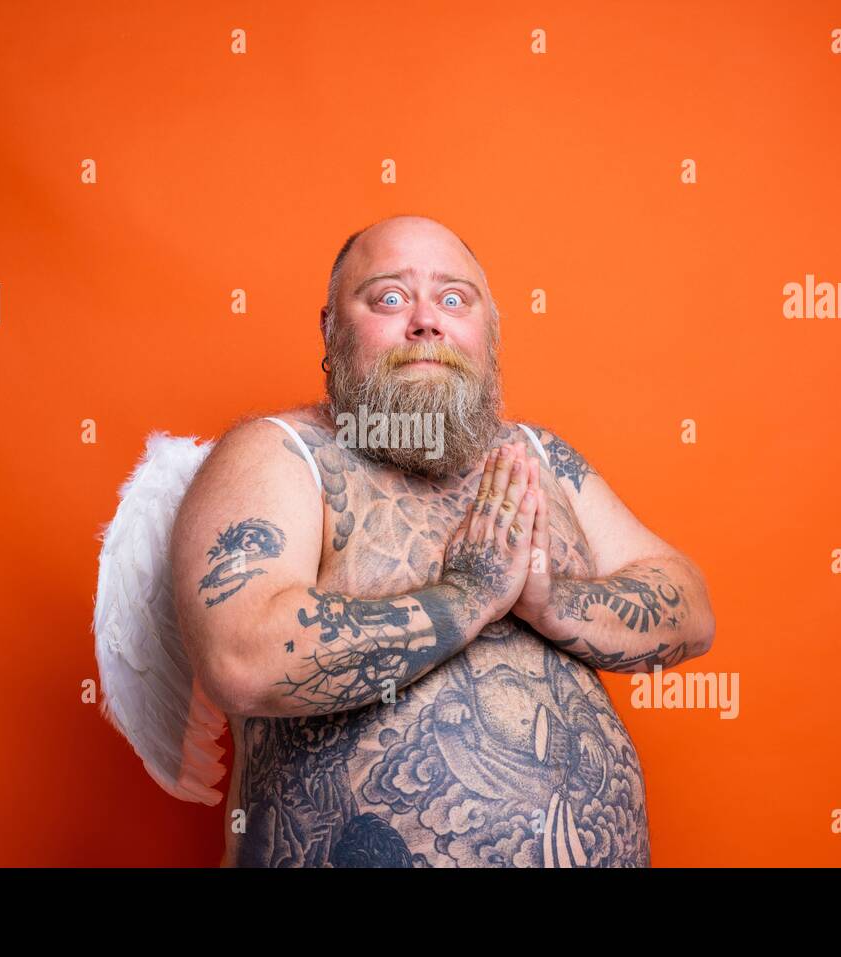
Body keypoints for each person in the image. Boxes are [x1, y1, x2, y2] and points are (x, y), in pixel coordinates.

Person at [170, 214, 716, 867]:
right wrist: (467, 594)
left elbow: (691, 607)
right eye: (390, 297)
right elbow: (241, 655)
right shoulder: (280, 455)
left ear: (489, 332)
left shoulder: (537, 459)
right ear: (330, 329)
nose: (427, 319)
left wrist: (552, 603)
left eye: (454, 298)